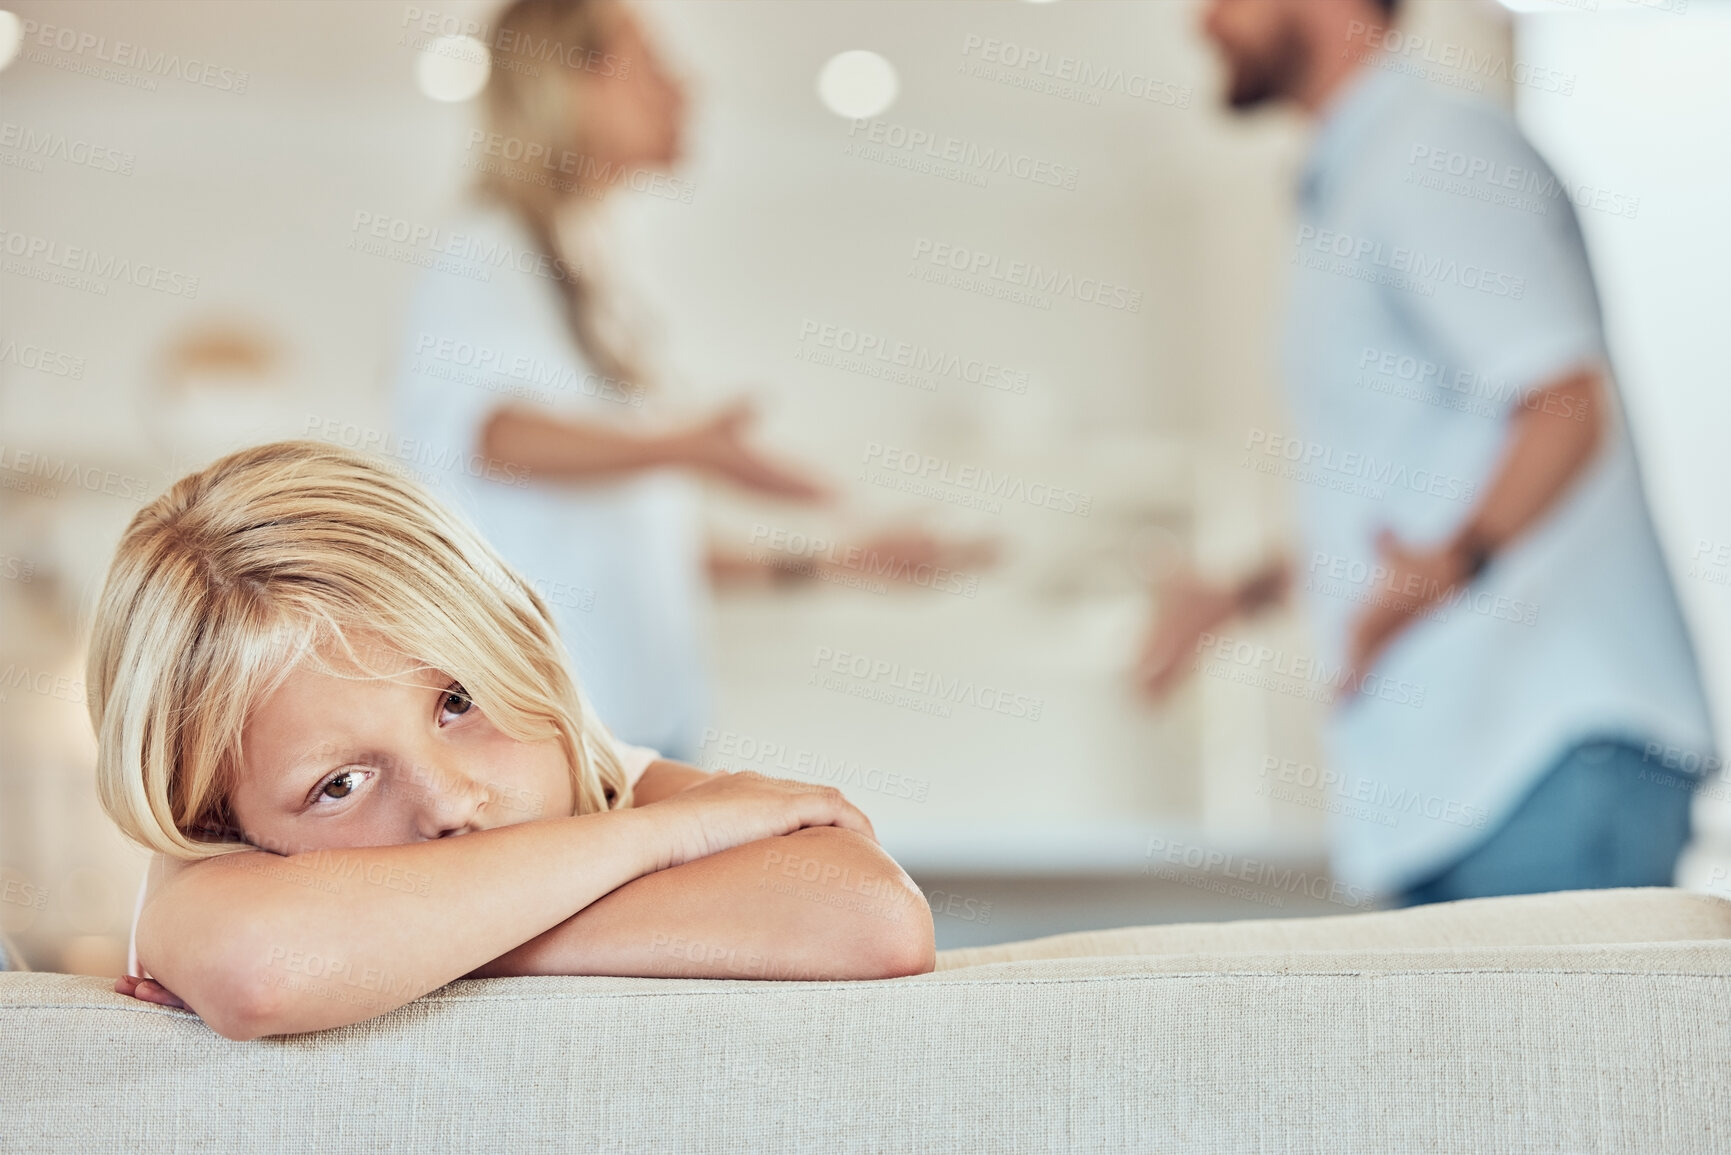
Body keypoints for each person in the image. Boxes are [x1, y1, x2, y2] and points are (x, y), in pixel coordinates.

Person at [1139, 0, 1717, 906]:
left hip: (1541, 759)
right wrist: (1240, 593)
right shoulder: (1357, 179)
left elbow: (1562, 403)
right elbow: (1397, 501)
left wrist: (1443, 566)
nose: (1201, 21)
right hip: (1461, 781)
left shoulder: (1433, 153)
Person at [94, 442, 934, 1040]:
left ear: (526, 644)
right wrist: (659, 837)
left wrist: (398, 944)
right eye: (339, 784)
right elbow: (262, 967)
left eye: (458, 699)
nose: (453, 801)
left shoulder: (603, 776)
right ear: (218, 820)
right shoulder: (207, 870)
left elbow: (869, 917)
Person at [392, 0, 978, 762]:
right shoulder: (485, 255)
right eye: (651, 64)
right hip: (553, 741)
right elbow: (485, 433)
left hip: (645, 734)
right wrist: (684, 447)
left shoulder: (589, 278)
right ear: (568, 81)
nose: (685, 88)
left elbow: (637, 534)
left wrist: (834, 561)